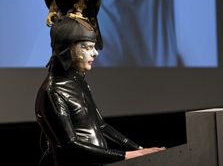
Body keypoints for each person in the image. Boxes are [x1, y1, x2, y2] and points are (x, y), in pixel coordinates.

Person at [35, 17, 165, 165]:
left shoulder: (78, 82)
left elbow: (101, 126)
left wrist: (140, 150)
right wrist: (127, 155)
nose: (95, 53)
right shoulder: (52, 91)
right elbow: (70, 144)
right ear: (66, 48)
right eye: (87, 47)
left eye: (93, 47)